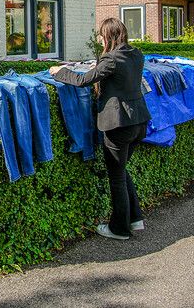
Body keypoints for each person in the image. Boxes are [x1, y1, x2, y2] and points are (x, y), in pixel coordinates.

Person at [49, 18, 151, 240]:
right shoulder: (136, 54)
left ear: (108, 36)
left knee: (116, 176)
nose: (99, 40)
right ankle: (135, 219)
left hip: (119, 124)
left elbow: (85, 80)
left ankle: (119, 229)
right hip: (139, 122)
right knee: (122, 170)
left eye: (101, 36)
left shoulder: (111, 59)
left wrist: (59, 71)